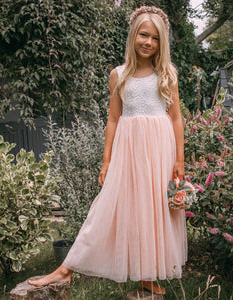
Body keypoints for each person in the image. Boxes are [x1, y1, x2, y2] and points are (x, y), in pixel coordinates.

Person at [28, 6, 187, 295]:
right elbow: (113, 119)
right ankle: (66, 269)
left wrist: (179, 159)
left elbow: (176, 118)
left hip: (159, 150)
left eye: (154, 38)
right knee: (107, 207)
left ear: (161, 43)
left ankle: (147, 276)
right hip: (128, 151)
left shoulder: (167, 74)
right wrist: (106, 160)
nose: (148, 42)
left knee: (151, 210)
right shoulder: (119, 74)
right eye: (143, 34)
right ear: (133, 35)